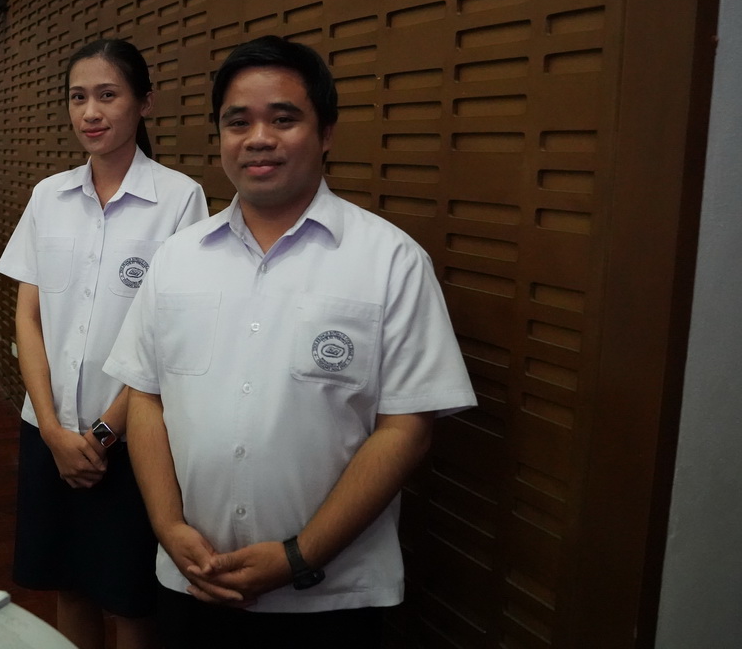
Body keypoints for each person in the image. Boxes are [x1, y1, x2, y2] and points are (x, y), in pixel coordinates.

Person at [103, 36, 477, 647]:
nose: (258, 138)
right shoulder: (176, 260)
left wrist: (299, 555)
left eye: (283, 119)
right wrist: (168, 527)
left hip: (330, 595)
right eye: (237, 122)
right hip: (192, 579)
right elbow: (145, 397)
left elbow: (406, 427)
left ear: (326, 133)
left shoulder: (390, 261)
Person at [0, 39, 209, 649]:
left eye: (108, 95)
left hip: (132, 437)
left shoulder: (179, 199)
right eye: (78, 97)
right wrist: (51, 429)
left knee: (130, 597)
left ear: (144, 103)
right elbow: (29, 316)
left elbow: (172, 335)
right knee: (68, 585)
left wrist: (103, 434)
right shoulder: (49, 196)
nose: (90, 112)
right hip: (48, 431)